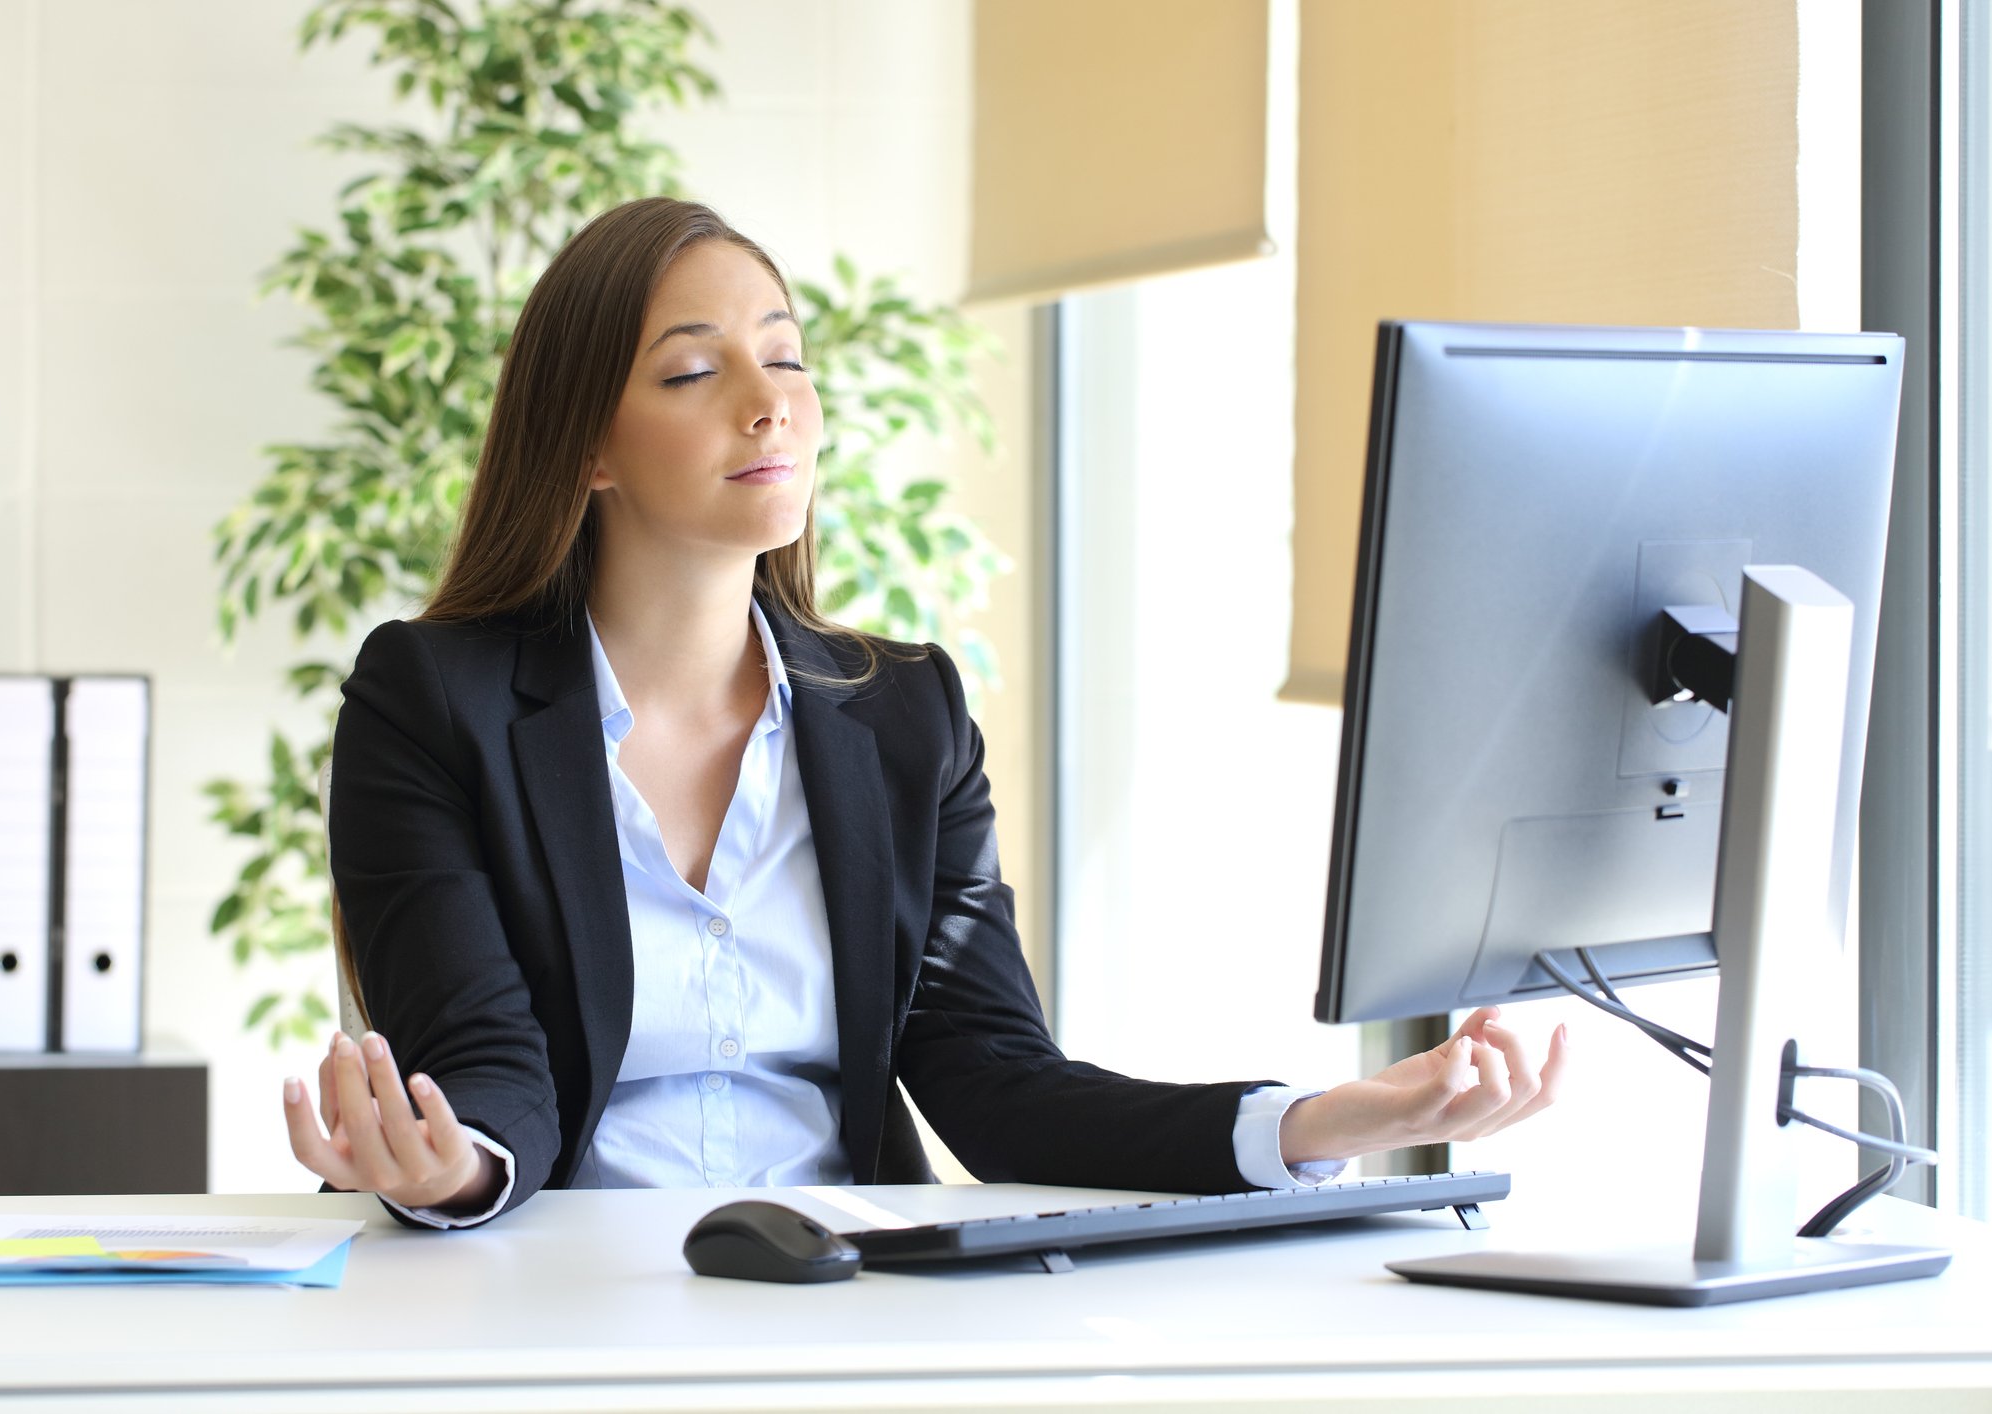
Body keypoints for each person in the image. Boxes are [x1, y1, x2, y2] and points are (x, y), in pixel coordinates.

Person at [281, 197, 1569, 1226]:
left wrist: (1320, 1122)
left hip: (847, 1294)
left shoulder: (906, 717)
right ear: (588, 449)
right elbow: (485, 1058)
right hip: (554, 1309)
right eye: (693, 372)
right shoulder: (430, 700)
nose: (769, 397)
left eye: (786, 355)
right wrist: (454, 1170)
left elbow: (996, 1080)